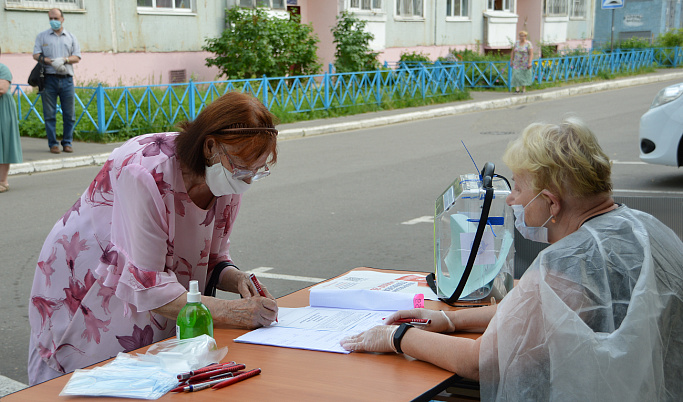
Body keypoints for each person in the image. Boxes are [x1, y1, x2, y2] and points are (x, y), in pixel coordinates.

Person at [341, 117, 683, 400]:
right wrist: (451, 322)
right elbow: (534, 310)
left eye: (518, 188)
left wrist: (398, 338)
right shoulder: (643, 227)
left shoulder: (572, 260)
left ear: (551, 202)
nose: (510, 200)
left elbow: (483, 362)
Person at [28, 91, 280, 385]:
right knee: (82, 378)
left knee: (147, 375)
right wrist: (234, 313)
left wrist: (238, 279)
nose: (248, 179)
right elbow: (147, 286)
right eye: (242, 167)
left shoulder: (226, 181)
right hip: (88, 282)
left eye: (256, 170)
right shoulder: (146, 171)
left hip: (147, 297)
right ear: (211, 146)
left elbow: (214, 258)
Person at [33, 8, 81, 154]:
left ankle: (67, 142)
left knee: (69, 114)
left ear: (62, 19)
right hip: (49, 79)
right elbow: (36, 54)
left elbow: (77, 57)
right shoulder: (42, 36)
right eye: (50, 18)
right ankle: (53, 144)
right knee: (49, 114)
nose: (53, 21)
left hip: (66, 79)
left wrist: (64, 60)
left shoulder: (71, 37)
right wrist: (49, 61)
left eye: (56, 18)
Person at [0, 47, 23, 193]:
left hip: (3, 109)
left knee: (3, 142)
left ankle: (3, 181)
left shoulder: (3, 69)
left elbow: (2, 89)